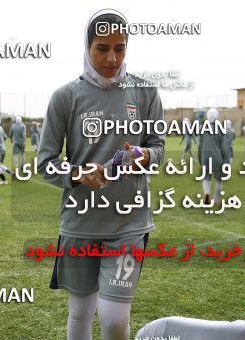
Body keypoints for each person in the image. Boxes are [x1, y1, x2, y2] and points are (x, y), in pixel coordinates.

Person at [37, 9, 164, 340]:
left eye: (119, 48)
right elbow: (46, 162)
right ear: (87, 46)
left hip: (129, 224)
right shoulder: (65, 97)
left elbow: (159, 149)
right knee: (80, 311)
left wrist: (143, 154)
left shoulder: (146, 92)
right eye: (102, 48)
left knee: (114, 319)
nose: (112, 57)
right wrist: (78, 174)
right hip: (80, 223)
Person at [198, 108, 229, 205]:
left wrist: (200, 158)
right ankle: (216, 200)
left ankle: (207, 193)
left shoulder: (202, 128)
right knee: (218, 179)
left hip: (204, 156)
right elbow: (224, 147)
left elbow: (200, 145)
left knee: (206, 177)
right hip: (217, 157)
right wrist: (226, 161)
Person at [0, 114, 14, 184]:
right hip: (3, 148)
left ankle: (4, 180)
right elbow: (5, 137)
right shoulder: (0, 127)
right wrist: (1, 143)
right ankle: (11, 173)